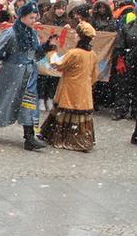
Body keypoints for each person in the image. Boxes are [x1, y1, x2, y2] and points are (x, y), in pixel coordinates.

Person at [0, 2, 57, 151]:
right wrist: (6, 60)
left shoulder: (32, 34)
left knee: (28, 103)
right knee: (4, 99)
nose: (34, 20)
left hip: (29, 74)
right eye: (31, 17)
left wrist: (47, 47)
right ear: (22, 17)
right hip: (11, 73)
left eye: (35, 17)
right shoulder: (10, 33)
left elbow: (34, 55)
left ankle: (29, 137)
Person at [39, 22, 99, 152]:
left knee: (65, 110)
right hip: (84, 90)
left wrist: (52, 49)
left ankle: (62, 138)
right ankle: (81, 139)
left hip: (70, 88)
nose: (75, 35)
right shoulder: (92, 54)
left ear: (81, 36)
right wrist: (86, 84)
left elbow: (57, 64)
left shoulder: (74, 53)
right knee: (79, 113)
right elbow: (95, 75)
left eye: (77, 34)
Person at [118, 0, 137, 146]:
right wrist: (122, 59)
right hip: (133, 64)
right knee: (129, 90)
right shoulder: (128, 27)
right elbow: (121, 44)